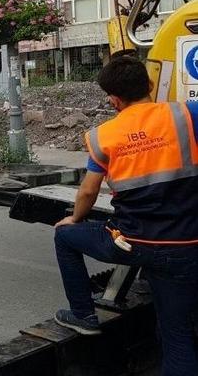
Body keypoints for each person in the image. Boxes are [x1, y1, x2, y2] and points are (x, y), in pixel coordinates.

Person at [53, 56, 198, 375]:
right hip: (188, 243)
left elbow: (89, 192)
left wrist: (75, 219)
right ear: (149, 85)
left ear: (114, 100)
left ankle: (84, 316)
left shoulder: (103, 136)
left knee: (65, 236)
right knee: (178, 337)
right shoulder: (187, 114)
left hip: (134, 242)